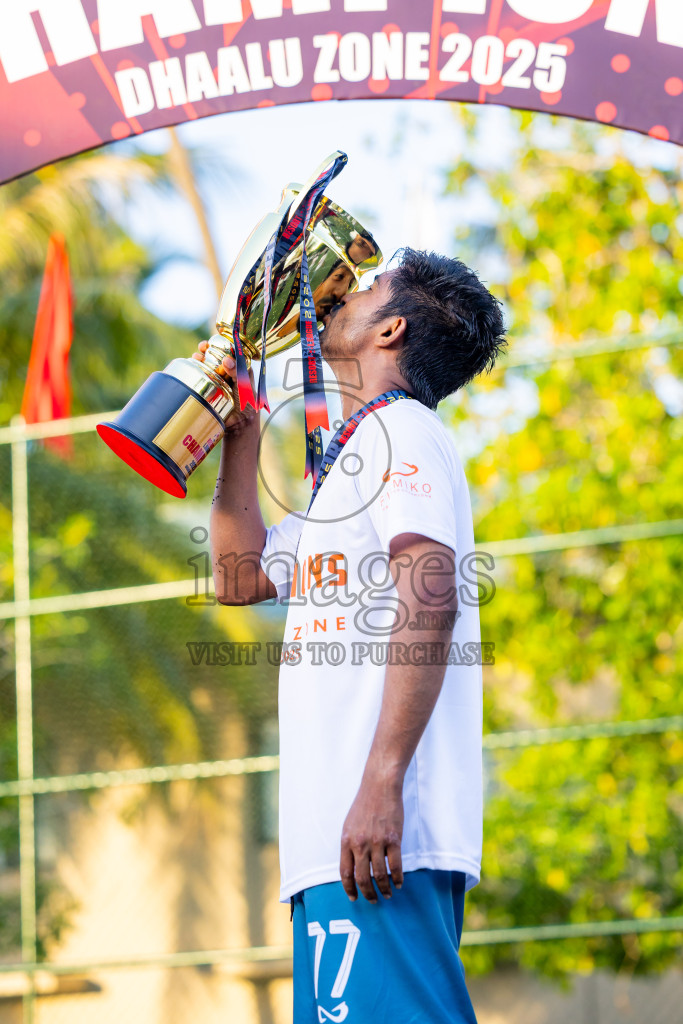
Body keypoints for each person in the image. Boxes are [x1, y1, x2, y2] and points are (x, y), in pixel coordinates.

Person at [193, 248, 506, 1023]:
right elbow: (238, 579)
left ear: (390, 328)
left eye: (366, 286)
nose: (343, 290)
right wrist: (240, 435)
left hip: (378, 831)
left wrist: (381, 783)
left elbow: (428, 597)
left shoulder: (404, 431)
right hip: (334, 842)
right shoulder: (354, 458)